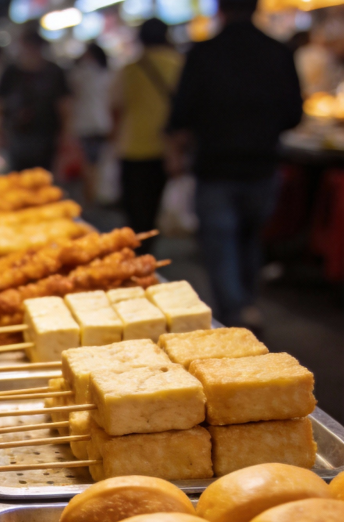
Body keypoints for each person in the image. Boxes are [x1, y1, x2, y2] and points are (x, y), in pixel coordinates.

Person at [168, 0, 303, 328]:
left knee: (220, 243)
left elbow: (181, 114)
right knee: (249, 238)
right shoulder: (279, 51)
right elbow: (294, 115)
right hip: (262, 167)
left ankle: (235, 314)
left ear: (220, 10)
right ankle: (247, 304)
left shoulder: (202, 53)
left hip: (215, 167)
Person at [111, 19, 183, 249]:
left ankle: (136, 253)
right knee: (153, 209)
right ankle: (147, 251)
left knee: (134, 211)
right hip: (164, 148)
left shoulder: (129, 69)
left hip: (130, 147)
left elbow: (115, 108)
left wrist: (114, 139)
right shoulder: (180, 65)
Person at [0, 23, 70, 172]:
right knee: (16, 177)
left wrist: (65, 136)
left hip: (46, 136)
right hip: (16, 135)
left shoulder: (54, 72)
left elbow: (65, 106)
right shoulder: (11, 72)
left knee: (43, 177)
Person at [69, 42, 112, 204]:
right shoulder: (106, 74)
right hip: (103, 122)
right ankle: (96, 193)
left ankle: (90, 195)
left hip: (85, 124)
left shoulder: (81, 74)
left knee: (88, 162)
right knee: (98, 162)